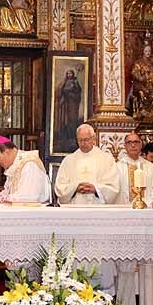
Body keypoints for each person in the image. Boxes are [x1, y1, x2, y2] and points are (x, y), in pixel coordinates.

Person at [54, 124, 120, 295]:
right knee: (77, 253)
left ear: (94, 138)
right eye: (80, 140)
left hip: (99, 217)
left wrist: (96, 189)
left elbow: (113, 186)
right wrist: (75, 188)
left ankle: (103, 291)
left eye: (86, 140)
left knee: (99, 253)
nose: (83, 143)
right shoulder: (69, 160)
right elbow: (60, 188)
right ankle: (75, 289)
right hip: (76, 217)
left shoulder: (106, 159)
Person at [115, 131, 153, 305]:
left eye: (136, 142)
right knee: (124, 262)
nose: (133, 145)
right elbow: (113, 190)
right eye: (129, 142)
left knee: (144, 260)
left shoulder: (149, 167)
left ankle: (144, 303)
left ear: (141, 145)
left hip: (144, 218)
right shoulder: (116, 167)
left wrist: (143, 204)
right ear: (125, 146)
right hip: (123, 219)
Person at [0, 138, 51, 204]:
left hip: (33, 212)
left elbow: (28, 197)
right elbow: (8, 193)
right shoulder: (15, 166)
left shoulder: (29, 164)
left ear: (7, 152)